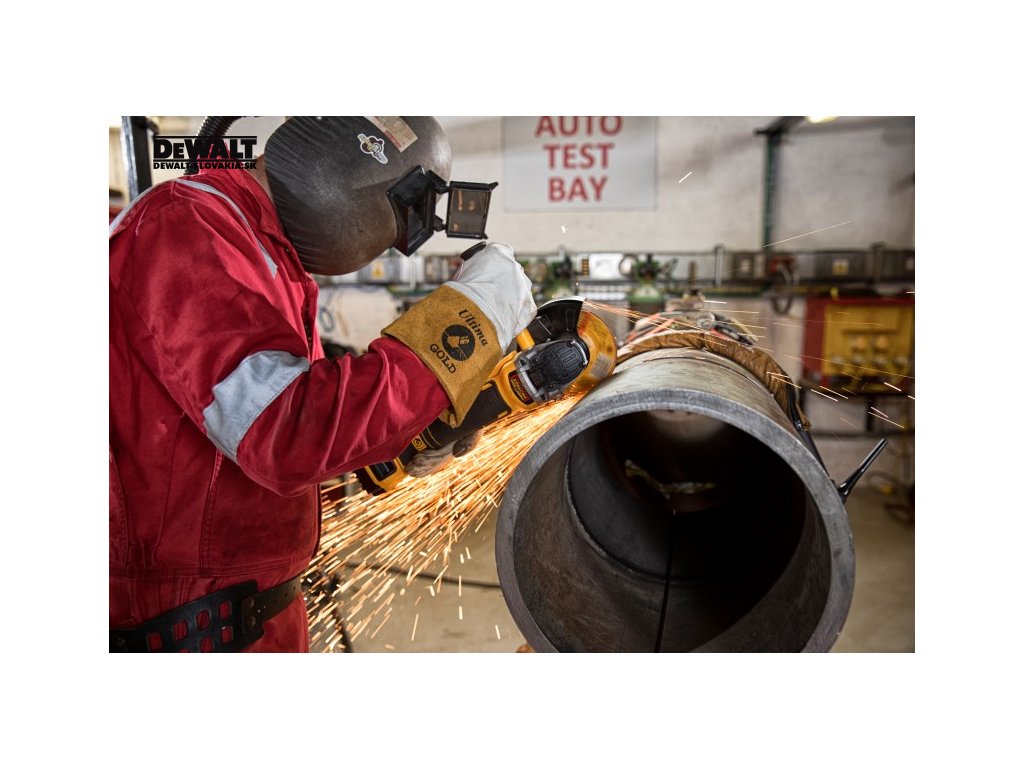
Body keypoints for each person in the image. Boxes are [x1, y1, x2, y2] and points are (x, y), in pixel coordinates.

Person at [109, 116, 535, 652]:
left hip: (244, 614)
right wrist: (470, 316)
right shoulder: (185, 228)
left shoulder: (259, 248)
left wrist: (403, 436)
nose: (390, 248)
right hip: (184, 630)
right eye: (399, 224)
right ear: (356, 172)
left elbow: (283, 419)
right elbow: (281, 432)